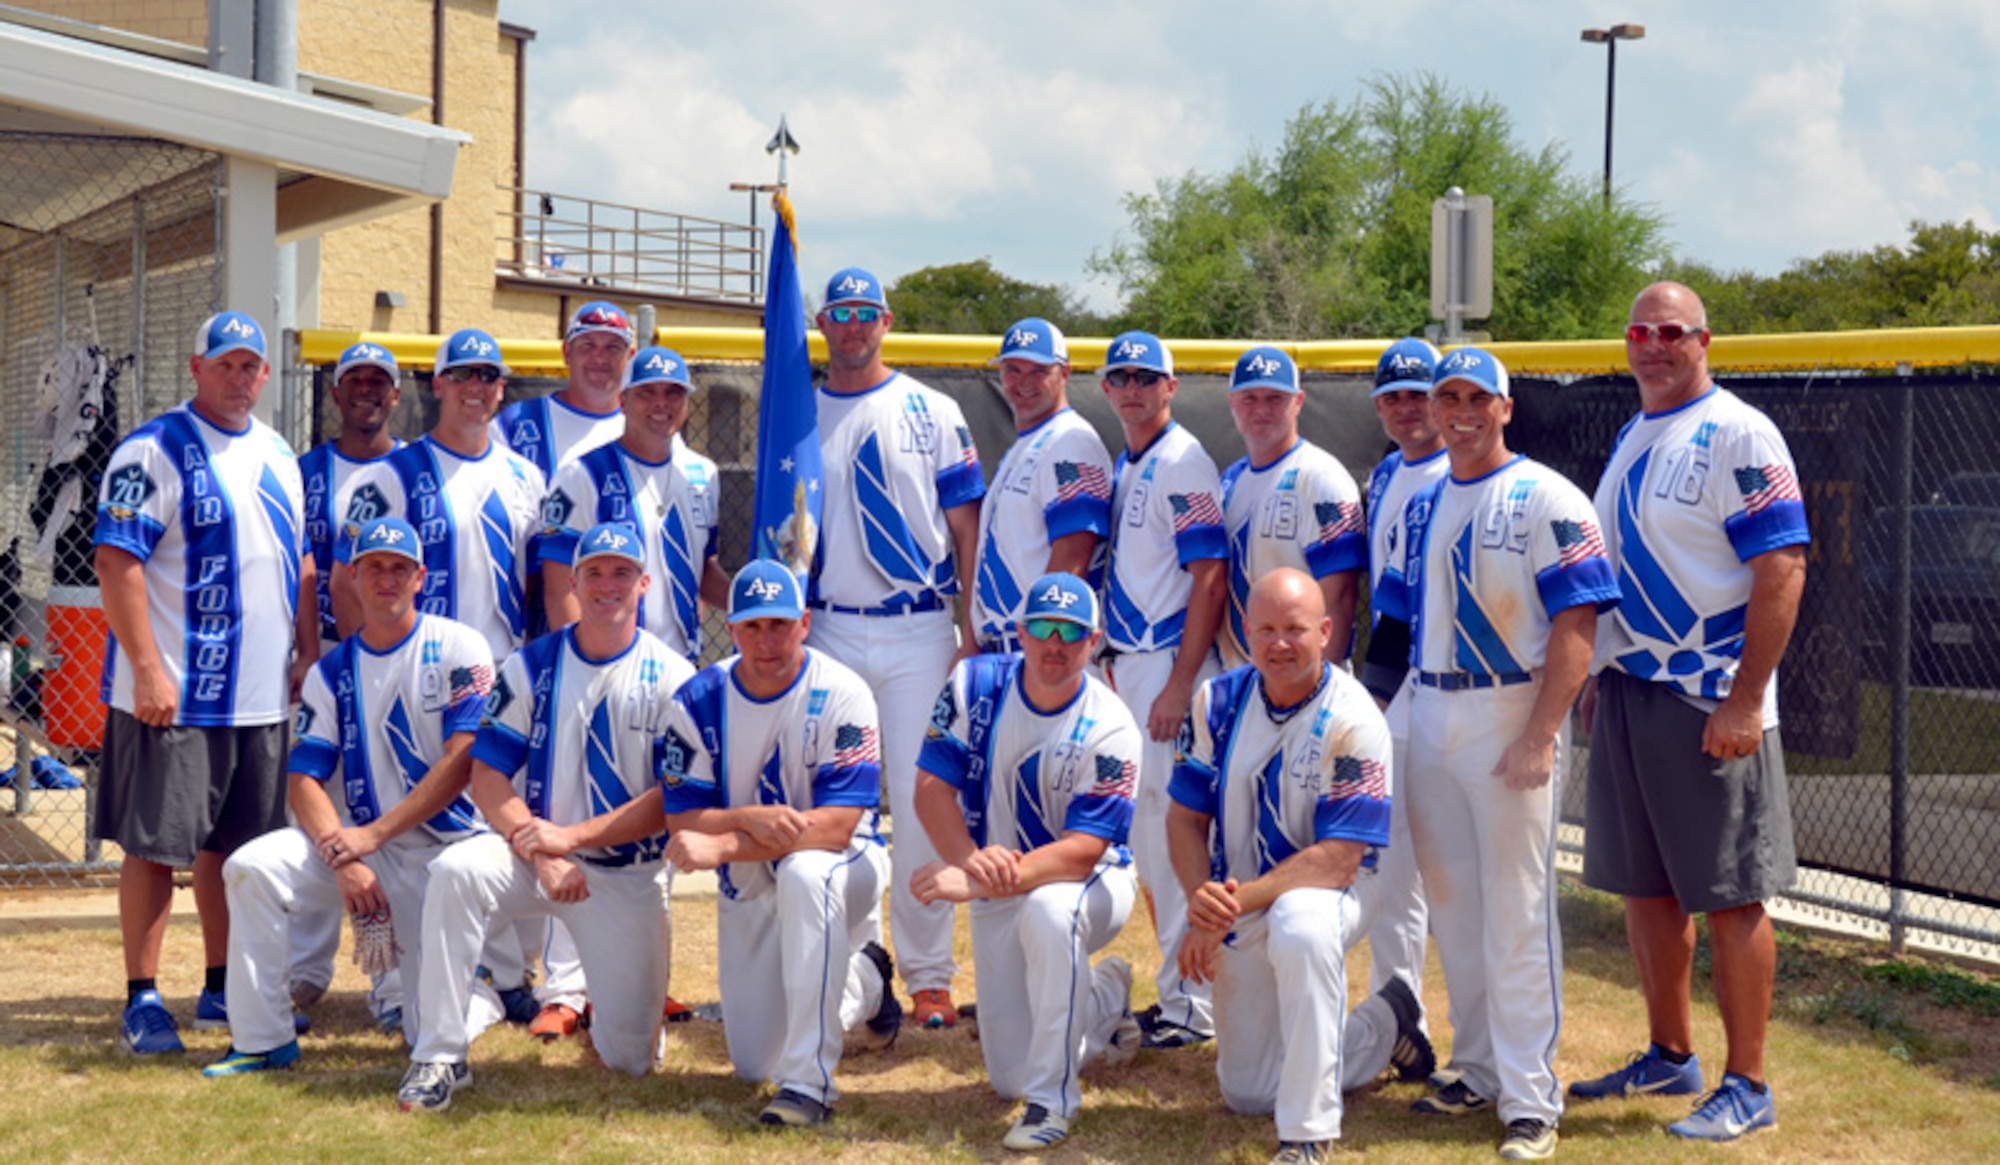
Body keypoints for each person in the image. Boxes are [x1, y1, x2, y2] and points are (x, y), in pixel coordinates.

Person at [1570, 282, 1809, 1142]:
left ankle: (1748, 1082)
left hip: (1707, 694)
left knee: (1732, 892)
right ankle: (1671, 1052)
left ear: (1705, 340)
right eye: (1640, 329)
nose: (1654, 344)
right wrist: (1600, 672)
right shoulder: (1639, 429)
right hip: (1635, 687)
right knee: (1647, 883)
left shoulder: (1739, 430)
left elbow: (1782, 566)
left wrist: (1745, 697)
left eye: (1672, 331)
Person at [1379, 348, 1619, 1161]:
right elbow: (1394, 620)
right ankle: (1476, 1065)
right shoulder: (1420, 498)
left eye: (1477, 396)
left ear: (1506, 406)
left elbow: (1578, 625)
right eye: (1448, 395)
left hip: (1510, 703)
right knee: (1454, 906)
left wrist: (1541, 733)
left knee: (1516, 909)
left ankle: (1529, 1094)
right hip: (1432, 701)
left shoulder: (1549, 495)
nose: (1460, 409)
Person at [400, 522, 695, 1112]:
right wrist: (544, 849)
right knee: (455, 870)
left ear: (645, 584)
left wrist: (573, 837)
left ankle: (609, 1013)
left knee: (631, 1063)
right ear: (574, 582)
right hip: (535, 859)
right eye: (593, 572)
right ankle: (439, 1054)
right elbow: (488, 776)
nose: (606, 585)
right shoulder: (532, 664)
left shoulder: (676, 677)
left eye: (620, 573)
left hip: (625, 875)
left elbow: (672, 798)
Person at [93, 310, 316, 1055]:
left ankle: (225, 986)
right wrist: (149, 668)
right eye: (225, 364)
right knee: (155, 845)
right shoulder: (150, 450)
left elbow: (300, 559)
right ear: (196, 368)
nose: (240, 377)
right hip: (175, 694)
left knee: (239, 850)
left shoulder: (282, 451)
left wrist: (304, 649)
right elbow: (116, 562)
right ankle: (143, 997)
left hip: (258, 698)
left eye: (251, 365)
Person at [202, 518, 492, 1076]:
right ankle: (263, 1039)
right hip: (362, 847)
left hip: (444, 852)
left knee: (423, 1034)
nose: (387, 579)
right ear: (353, 578)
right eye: (374, 567)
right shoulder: (332, 671)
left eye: (399, 567)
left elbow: (463, 761)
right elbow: (303, 777)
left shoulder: (461, 647)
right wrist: (344, 855)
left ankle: (481, 989)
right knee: (249, 867)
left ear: (420, 578)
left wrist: (372, 837)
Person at [1166, 568, 1434, 1165]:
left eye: (1295, 629)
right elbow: (1184, 819)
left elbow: (1338, 860)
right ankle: (1386, 1024)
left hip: (1335, 891)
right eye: (1265, 629)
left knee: (1301, 924)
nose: (1279, 643)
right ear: (1244, 630)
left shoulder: (1355, 716)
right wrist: (1202, 899)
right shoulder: (1218, 699)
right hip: (1243, 895)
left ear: (1327, 631)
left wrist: (1227, 904)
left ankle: (1308, 1135)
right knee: (1248, 1092)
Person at [654, 560, 901, 1128]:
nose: (767, 642)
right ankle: (867, 981)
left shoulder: (844, 691)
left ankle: (809, 1085)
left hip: (844, 866)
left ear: (805, 623)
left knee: (804, 873)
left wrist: (725, 845)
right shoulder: (696, 699)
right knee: (751, 1062)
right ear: (732, 628)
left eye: (780, 625)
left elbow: (838, 826)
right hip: (747, 887)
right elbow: (682, 818)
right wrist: (746, 819)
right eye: (752, 627)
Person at [911, 572, 1146, 1151]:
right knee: (1006, 1076)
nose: (1055, 644)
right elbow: (929, 788)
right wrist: (971, 862)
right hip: (995, 883)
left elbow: (1082, 852)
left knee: (1049, 909)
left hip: (1092, 882)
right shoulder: (972, 683)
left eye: (1071, 632)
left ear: (1093, 642)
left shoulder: (1113, 723)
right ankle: (1103, 995)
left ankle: (1053, 1101)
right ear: (1018, 632)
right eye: (1042, 628)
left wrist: (975, 876)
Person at [808, 266, 986, 1028]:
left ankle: (929, 974)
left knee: (922, 801)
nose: (852, 327)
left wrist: (971, 629)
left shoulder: (934, 408)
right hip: (828, 622)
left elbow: (967, 528)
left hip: (918, 622)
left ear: (886, 321)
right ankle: (856, 958)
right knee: (838, 798)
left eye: (865, 314)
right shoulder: (795, 411)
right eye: (838, 314)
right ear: (820, 323)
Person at [1095, 331, 1228, 1050]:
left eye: (1149, 378)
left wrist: (1180, 683)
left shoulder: (1183, 459)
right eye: (1123, 377)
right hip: (1134, 664)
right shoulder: (1131, 459)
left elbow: (1209, 576)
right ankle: (1179, 991)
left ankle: (1196, 1002)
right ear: (1108, 387)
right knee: (1150, 841)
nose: (1135, 388)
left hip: (1169, 666)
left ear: (1171, 387)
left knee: (1179, 838)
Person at [290, 340, 406, 1026]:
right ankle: (306, 967)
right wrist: (310, 651)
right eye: (353, 380)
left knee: (382, 814)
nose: (366, 390)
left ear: (397, 394)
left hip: (399, 659)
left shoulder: (414, 467)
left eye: (379, 382)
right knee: (316, 811)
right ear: (334, 393)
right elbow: (308, 569)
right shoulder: (307, 469)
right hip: (333, 656)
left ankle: (388, 977)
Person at [334, 328, 546, 662]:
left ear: (501, 388)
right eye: (461, 374)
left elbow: (534, 579)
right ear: (437, 385)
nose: (475, 386)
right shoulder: (390, 476)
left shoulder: (526, 476)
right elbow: (345, 583)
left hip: (504, 670)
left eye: (488, 375)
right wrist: (372, 667)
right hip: (421, 669)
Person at [1355, 337, 1449, 1063]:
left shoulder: (1457, 470)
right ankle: (1399, 1011)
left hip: (1445, 688)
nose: (1405, 406)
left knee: (1435, 867)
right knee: (1392, 863)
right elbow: (1384, 596)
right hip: (1395, 682)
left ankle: (1416, 1016)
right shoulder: (1386, 473)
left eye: (1418, 392)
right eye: (1392, 395)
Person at [541, 344, 728, 662]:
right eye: (647, 392)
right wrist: (582, 663)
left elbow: (702, 570)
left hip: (680, 663)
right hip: (610, 661)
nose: (661, 403)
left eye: (673, 393)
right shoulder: (581, 475)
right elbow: (560, 588)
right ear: (623, 401)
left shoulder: (703, 474)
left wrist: (749, 603)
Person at [1218, 345, 1366, 668]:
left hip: (1302, 680)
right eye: (1249, 398)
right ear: (1232, 403)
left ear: (1298, 401)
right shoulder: (1230, 480)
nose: (1262, 410)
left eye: (1275, 398)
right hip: (1243, 681)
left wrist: (1316, 691)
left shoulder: (1322, 479)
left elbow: (1339, 598)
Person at [970, 319, 1113, 653]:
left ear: (1064, 374)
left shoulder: (1072, 441)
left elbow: (1075, 553)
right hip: (1008, 643)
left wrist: (1046, 637)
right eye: (1013, 370)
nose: (1023, 383)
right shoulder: (1029, 442)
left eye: (1038, 371)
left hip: (1042, 645)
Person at [491, 299, 636, 478]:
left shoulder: (647, 431)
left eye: (612, 348)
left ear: (630, 357)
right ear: (567, 352)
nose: (599, 357)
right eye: (588, 345)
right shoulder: (513, 425)